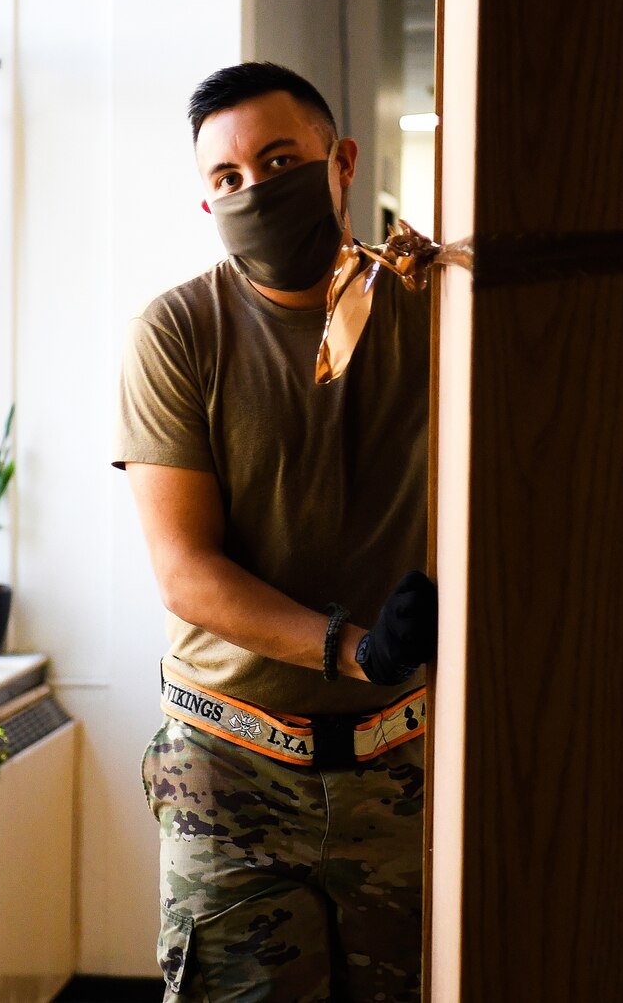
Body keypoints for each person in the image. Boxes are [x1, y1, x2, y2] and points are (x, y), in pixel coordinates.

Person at [113, 61, 440, 1001]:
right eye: (228, 178)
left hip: (400, 766)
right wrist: (354, 648)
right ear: (205, 202)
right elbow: (185, 570)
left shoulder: (426, 310)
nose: (254, 188)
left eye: (280, 158)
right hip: (231, 776)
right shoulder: (176, 332)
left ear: (342, 162)